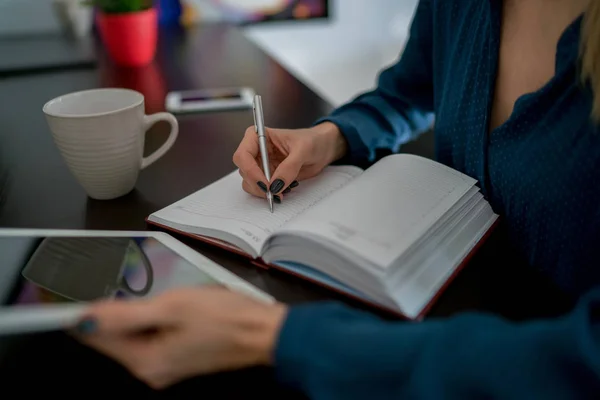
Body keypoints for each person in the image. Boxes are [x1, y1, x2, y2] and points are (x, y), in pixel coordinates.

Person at [74, 0, 600, 398]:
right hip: (431, 305)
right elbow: (409, 91)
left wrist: (268, 336)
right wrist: (331, 136)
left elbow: (578, 362)